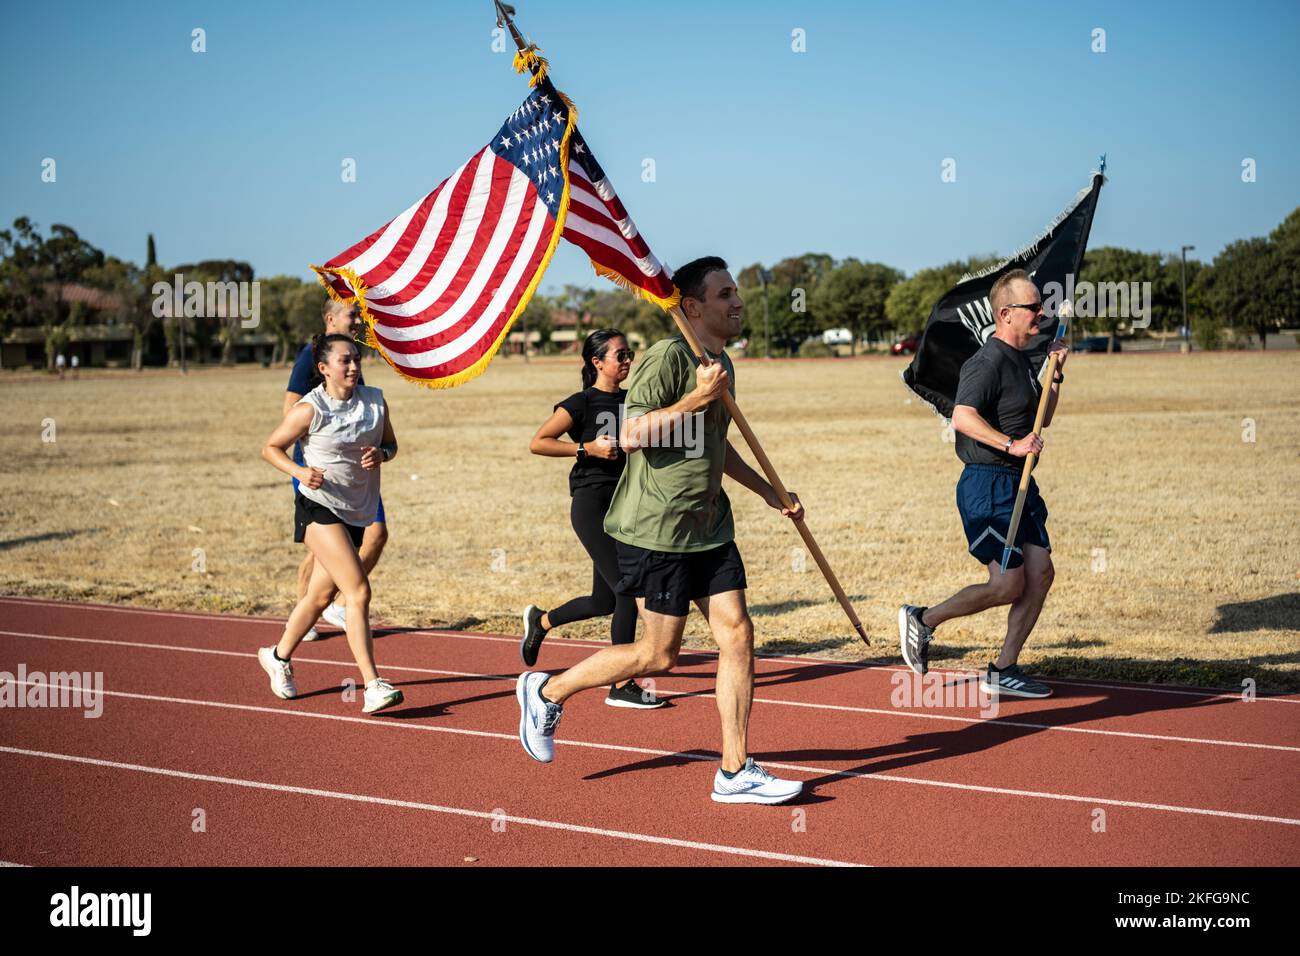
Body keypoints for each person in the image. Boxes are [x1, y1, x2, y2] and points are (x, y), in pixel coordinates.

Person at [515, 256, 806, 804]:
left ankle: (735, 769)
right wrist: (697, 396)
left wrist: (770, 492)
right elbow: (632, 433)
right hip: (659, 530)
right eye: (725, 295)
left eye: (737, 291)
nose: (738, 302)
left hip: (710, 524)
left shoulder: (720, 362)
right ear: (692, 307)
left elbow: (715, 447)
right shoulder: (667, 360)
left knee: (738, 634)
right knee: (658, 655)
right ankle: (548, 690)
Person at [898, 269, 1068, 698]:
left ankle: (1004, 668)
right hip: (987, 484)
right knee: (1007, 584)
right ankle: (923, 618)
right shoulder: (987, 361)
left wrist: (1056, 372)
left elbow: (1041, 419)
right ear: (1006, 314)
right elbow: (963, 416)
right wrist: (1011, 445)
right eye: (1033, 307)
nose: (1042, 313)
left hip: (1020, 484)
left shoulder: (1025, 362)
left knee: (1040, 572)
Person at [259, 332, 404, 714]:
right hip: (318, 507)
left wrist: (382, 455)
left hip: (356, 509)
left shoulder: (376, 401)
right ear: (323, 369)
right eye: (345, 360)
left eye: (357, 358)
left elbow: (392, 445)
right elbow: (270, 448)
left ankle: (278, 656)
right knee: (357, 591)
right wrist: (299, 471)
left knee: (320, 597)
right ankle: (373, 685)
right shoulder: (310, 409)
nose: (354, 366)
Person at [522, 329, 663, 709]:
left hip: (627, 506)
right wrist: (586, 448)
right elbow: (539, 442)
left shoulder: (637, 401)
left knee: (604, 599)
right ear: (597, 362)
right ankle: (621, 684)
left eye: (630, 353)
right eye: (621, 355)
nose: (628, 360)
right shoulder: (581, 402)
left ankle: (542, 621)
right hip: (592, 505)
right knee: (627, 590)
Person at [284, 298, 389, 640]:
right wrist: (304, 467)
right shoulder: (311, 357)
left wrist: (380, 451)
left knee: (374, 535)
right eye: (352, 314)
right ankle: (314, 610)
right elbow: (291, 410)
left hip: (357, 475)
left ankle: (333, 604)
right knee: (329, 548)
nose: (359, 320)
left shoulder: (351, 358)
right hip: (321, 475)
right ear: (330, 318)